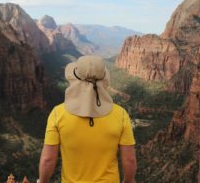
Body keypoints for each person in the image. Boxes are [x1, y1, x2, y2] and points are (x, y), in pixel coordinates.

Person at [38, 55, 137, 183]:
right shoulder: (121, 114)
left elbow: (48, 160)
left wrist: (42, 181)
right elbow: (129, 160)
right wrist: (128, 181)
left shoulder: (58, 113)